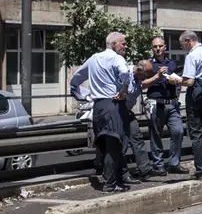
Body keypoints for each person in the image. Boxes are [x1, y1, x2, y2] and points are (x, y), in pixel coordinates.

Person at [68, 32, 132, 193]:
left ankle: (113, 178)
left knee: (104, 144)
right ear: (113, 44)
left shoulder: (94, 58)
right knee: (114, 144)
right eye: (123, 43)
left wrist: (82, 95)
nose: (125, 46)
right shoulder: (117, 58)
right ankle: (110, 183)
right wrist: (124, 90)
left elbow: (75, 80)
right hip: (113, 105)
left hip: (98, 107)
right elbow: (125, 73)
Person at [168, 31, 202, 180]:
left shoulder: (192, 56)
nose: (182, 47)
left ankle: (201, 171)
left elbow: (189, 81)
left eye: (182, 44)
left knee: (196, 135)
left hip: (195, 96)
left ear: (189, 41)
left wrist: (176, 80)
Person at [142, 37, 187, 175]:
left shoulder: (172, 63)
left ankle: (174, 163)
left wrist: (177, 84)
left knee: (178, 131)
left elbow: (179, 80)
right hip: (156, 104)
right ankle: (158, 165)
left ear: (165, 47)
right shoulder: (148, 65)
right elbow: (143, 84)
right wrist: (157, 75)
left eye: (160, 46)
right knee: (156, 135)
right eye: (155, 46)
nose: (158, 49)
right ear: (152, 48)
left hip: (172, 104)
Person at [120, 60, 157, 182]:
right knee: (122, 143)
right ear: (139, 71)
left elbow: (145, 84)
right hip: (118, 112)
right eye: (147, 74)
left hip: (127, 112)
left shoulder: (139, 79)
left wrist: (158, 76)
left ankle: (145, 169)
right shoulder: (125, 74)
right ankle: (121, 173)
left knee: (137, 138)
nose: (147, 77)